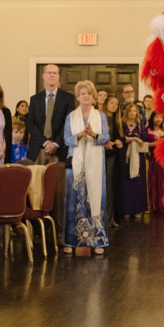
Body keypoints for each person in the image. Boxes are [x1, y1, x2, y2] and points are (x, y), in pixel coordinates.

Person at [63, 80, 109, 255]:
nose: (86, 96)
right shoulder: (71, 116)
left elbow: (106, 138)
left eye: (89, 93)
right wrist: (80, 135)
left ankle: (97, 241)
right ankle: (71, 241)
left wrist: (94, 134)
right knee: (74, 201)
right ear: (77, 97)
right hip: (75, 164)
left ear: (93, 97)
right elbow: (66, 139)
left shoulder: (100, 116)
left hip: (96, 163)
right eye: (83, 93)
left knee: (96, 199)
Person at [26, 64, 74, 164]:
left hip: (59, 151)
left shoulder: (68, 98)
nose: (52, 75)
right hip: (38, 149)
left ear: (58, 76)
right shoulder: (35, 99)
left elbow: (69, 124)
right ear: (43, 76)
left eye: (55, 73)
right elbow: (30, 124)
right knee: (37, 179)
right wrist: (45, 142)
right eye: (49, 73)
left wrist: (56, 143)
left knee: (57, 179)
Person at [119, 102, 153, 222]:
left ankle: (138, 209)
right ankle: (126, 210)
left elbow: (144, 139)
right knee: (126, 183)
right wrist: (133, 138)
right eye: (130, 111)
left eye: (135, 111)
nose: (132, 113)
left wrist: (135, 139)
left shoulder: (140, 124)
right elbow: (122, 137)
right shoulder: (122, 124)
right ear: (126, 112)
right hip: (126, 158)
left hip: (139, 158)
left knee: (138, 182)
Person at [101, 95, 124, 227]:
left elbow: (120, 137)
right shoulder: (100, 118)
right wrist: (104, 143)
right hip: (101, 155)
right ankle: (101, 219)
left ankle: (109, 218)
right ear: (106, 104)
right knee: (101, 187)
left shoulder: (117, 121)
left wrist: (120, 142)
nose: (114, 106)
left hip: (112, 157)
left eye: (116, 104)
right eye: (111, 103)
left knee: (110, 187)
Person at [147, 112, 164, 213]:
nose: (158, 119)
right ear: (152, 118)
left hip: (163, 159)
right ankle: (153, 206)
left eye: (160, 117)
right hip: (152, 158)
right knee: (153, 180)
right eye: (156, 117)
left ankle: (162, 205)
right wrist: (156, 143)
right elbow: (144, 144)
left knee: (163, 182)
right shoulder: (148, 130)